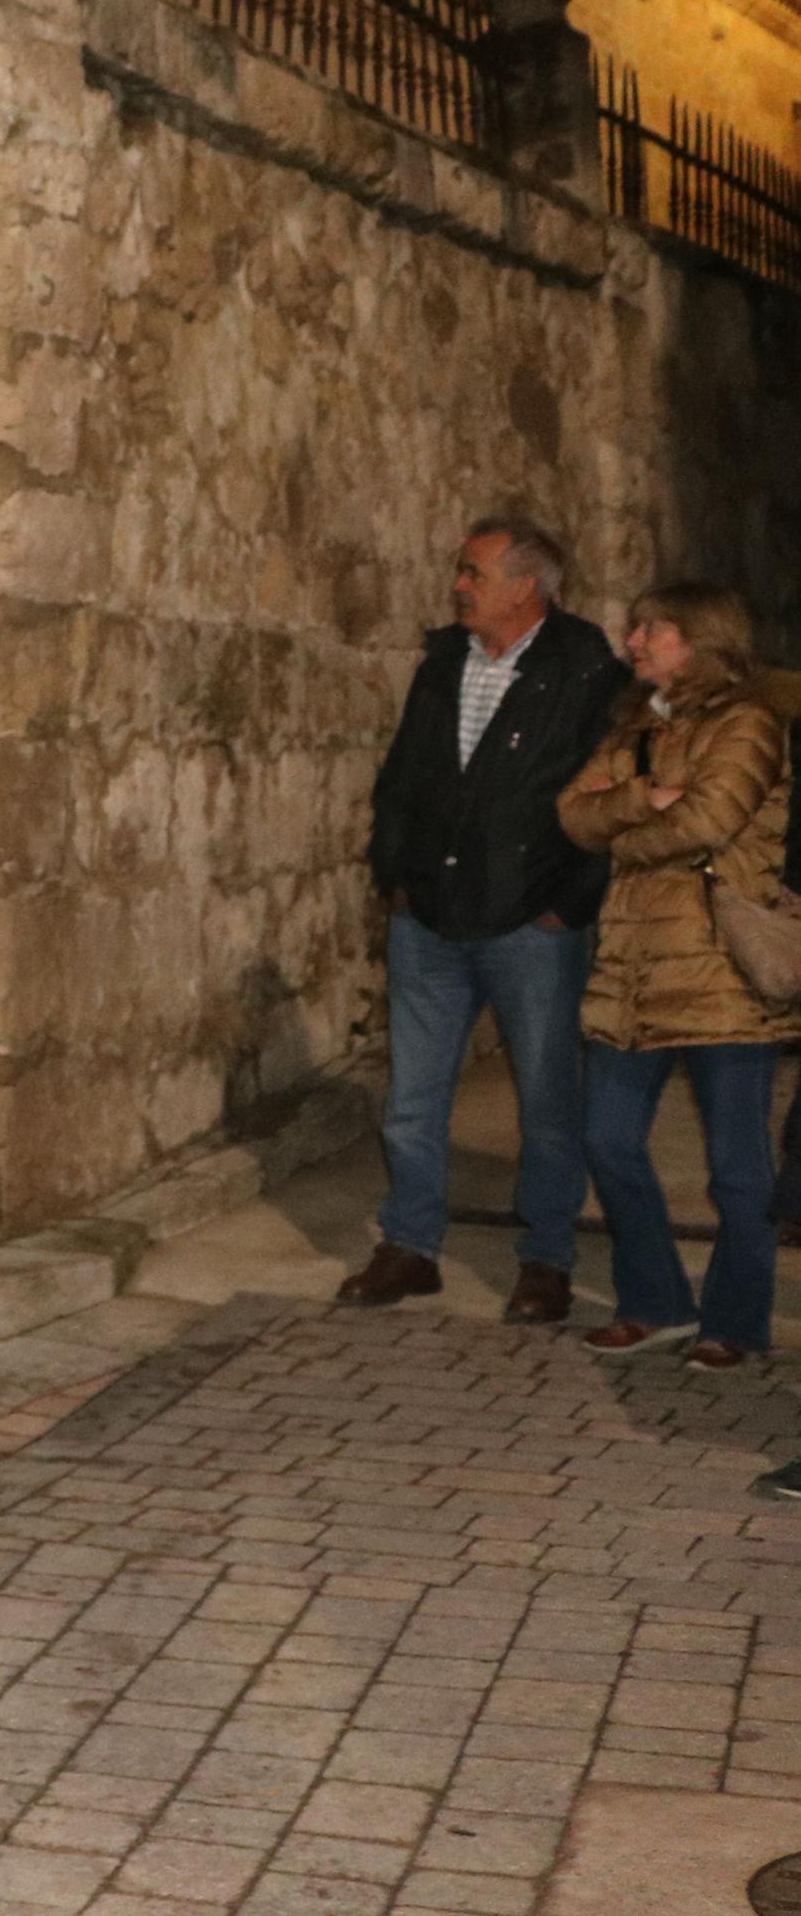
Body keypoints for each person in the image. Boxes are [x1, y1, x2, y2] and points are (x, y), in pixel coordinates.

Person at [343, 518, 627, 1320]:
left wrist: (564, 903)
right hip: (428, 914)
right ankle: (409, 1245)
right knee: (413, 1094)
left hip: (528, 922)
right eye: (460, 570)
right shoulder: (441, 662)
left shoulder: (583, 670)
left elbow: (604, 799)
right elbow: (401, 776)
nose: (458, 584)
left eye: (472, 572)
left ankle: (545, 1257)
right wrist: (393, 874)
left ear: (524, 586)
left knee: (544, 1097)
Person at [555, 582, 795, 1369]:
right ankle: (655, 1300)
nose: (633, 641)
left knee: (735, 1170)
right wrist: (639, 795)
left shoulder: (748, 722)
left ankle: (735, 1320)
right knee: (606, 1138)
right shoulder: (633, 726)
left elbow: (708, 819)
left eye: (649, 629)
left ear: (698, 637)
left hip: (720, 974)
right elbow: (568, 812)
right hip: (629, 972)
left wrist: (621, 831)